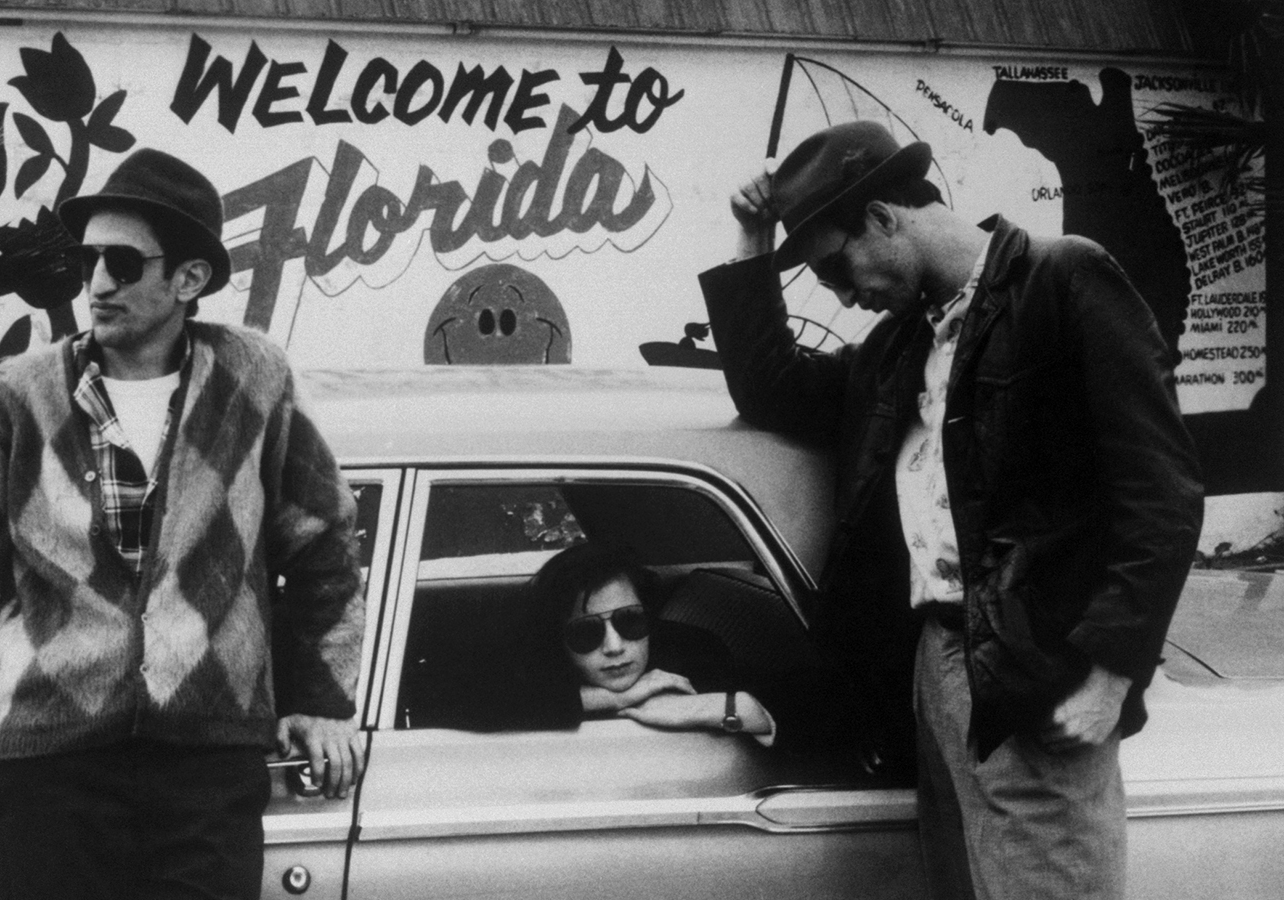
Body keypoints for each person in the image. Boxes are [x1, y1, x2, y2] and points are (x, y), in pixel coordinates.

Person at [697, 120, 1204, 900]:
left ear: (883, 217)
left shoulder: (1063, 277)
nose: (843, 295)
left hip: (1036, 669)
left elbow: (1161, 491)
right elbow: (773, 389)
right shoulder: (900, 345)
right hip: (934, 657)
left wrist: (1112, 672)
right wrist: (751, 236)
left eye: (835, 268)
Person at [0, 148, 366, 900]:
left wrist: (320, 700)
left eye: (122, 262)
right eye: (87, 261)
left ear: (189, 279)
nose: (96, 283)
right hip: (53, 773)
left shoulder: (255, 379)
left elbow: (323, 544)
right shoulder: (17, 396)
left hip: (208, 771)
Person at [448, 542, 842, 749]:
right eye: (586, 633)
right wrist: (612, 698)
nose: (615, 646)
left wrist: (723, 707)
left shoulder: (691, 652)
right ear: (559, 638)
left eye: (630, 621)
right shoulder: (538, 664)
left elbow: (827, 710)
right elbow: (447, 695)